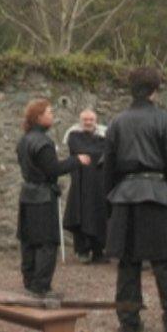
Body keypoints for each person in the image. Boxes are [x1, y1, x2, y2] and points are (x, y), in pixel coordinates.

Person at [103, 67, 167, 332]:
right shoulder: (164, 121)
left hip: (125, 195)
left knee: (128, 263)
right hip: (156, 195)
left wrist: (110, 199)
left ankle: (128, 322)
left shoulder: (117, 122)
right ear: (156, 89)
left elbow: (107, 167)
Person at [16, 99, 90, 297]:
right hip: (42, 196)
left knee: (29, 240)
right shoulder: (43, 142)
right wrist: (76, 160)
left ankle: (29, 282)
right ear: (38, 117)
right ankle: (41, 286)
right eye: (49, 112)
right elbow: (54, 169)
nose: (52, 115)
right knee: (47, 243)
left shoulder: (24, 140)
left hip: (28, 195)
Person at [62, 109, 109, 264]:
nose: (88, 122)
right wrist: (93, 154)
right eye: (85, 120)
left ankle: (98, 251)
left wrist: (92, 154)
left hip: (99, 183)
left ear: (95, 120)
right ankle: (82, 250)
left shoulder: (103, 135)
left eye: (91, 119)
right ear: (81, 121)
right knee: (81, 214)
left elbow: (104, 153)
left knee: (99, 215)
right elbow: (81, 151)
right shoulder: (74, 135)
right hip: (81, 183)